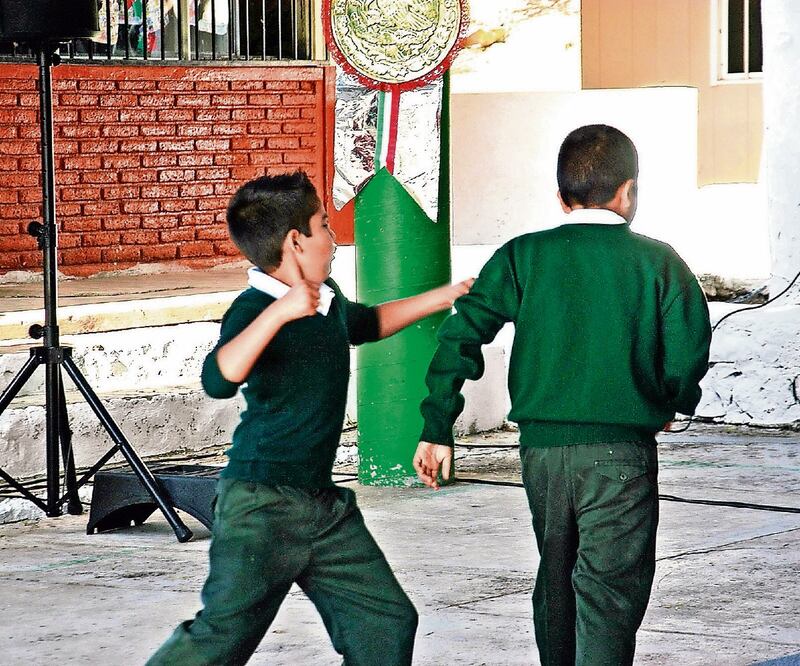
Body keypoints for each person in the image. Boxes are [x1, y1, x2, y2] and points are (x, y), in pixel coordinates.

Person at [413, 124, 711, 666]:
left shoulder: (522, 256)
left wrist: (438, 425)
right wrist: (673, 399)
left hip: (541, 455)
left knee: (556, 579)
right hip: (620, 453)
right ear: (629, 191)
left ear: (560, 196)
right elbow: (689, 345)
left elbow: (461, 333)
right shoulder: (658, 261)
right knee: (608, 593)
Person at [147, 171, 472, 666]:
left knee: (385, 623)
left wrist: (449, 294)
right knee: (219, 640)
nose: (334, 237)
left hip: (324, 509)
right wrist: (281, 314)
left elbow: (367, 323)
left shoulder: (328, 297)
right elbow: (218, 378)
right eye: (325, 225)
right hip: (262, 505)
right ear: (296, 241)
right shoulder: (254, 308)